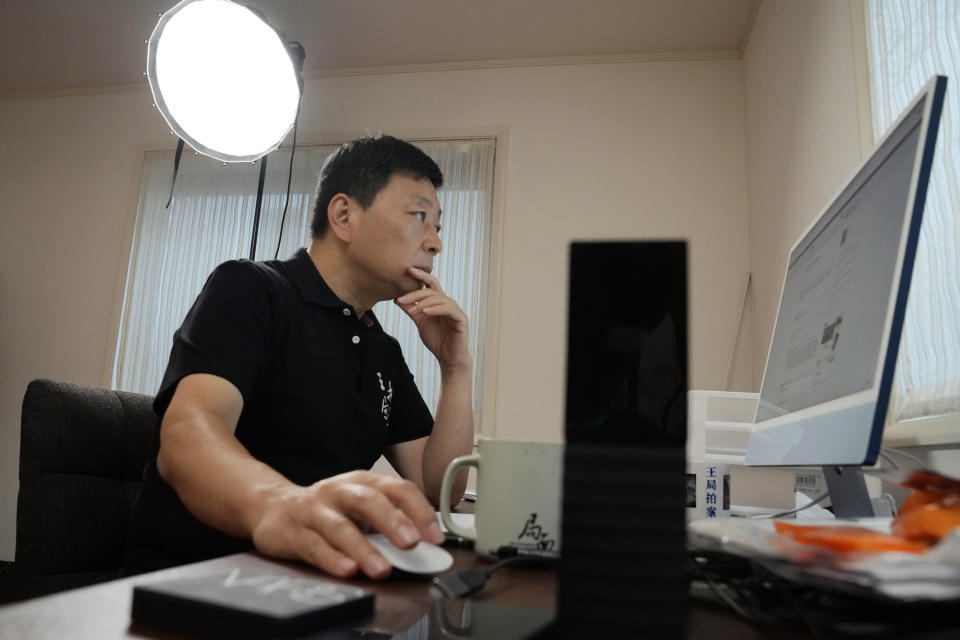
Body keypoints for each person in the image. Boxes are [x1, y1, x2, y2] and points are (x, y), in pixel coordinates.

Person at [124, 135, 473, 580]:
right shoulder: (251, 289)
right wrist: (280, 502)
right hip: (195, 581)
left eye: (438, 226)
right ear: (344, 216)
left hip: (315, 581)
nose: (435, 243)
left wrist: (455, 367)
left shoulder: (382, 348)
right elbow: (188, 433)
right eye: (420, 216)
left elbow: (437, 491)